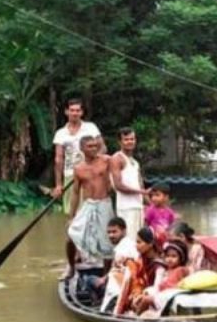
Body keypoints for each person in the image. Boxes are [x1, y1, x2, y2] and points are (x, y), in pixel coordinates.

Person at [52, 98, 105, 278]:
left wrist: (95, 165)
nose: (75, 113)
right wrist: (59, 184)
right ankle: (74, 259)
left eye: (78, 110)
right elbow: (59, 159)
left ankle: (91, 255)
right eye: (71, 110)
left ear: (82, 112)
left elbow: (102, 148)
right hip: (70, 176)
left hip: (91, 174)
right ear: (66, 112)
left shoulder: (91, 128)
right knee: (73, 219)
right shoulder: (61, 133)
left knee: (92, 217)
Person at [66, 136, 114, 279]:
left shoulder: (106, 160)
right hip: (88, 204)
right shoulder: (79, 168)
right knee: (70, 235)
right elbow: (75, 192)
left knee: (107, 241)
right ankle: (71, 267)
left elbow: (116, 177)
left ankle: (106, 274)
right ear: (82, 149)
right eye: (90, 146)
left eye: (95, 146)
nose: (94, 148)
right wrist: (71, 216)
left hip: (104, 203)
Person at [81, 217, 137, 306]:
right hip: (128, 285)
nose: (111, 235)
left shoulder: (121, 250)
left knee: (88, 280)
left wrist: (104, 279)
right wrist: (105, 278)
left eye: (114, 232)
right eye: (109, 232)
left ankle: (97, 304)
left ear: (124, 231)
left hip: (121, 289)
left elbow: (118, 273)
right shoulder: (131, 244)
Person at [115, 227, 166, 315]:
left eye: (139, 242)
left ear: (150, 244)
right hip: (138, 293)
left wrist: (141, 295)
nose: (136, 245)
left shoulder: (159, 266)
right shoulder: (142, 259)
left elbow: (157, 289)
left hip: (150, 300)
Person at [131, 240, 190, 316]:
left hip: (170, 297)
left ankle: (137, 315)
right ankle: (138, 312)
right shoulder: (168, 270)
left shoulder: (181, 270)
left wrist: (160, 288)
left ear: (181, 258)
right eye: (168, 256)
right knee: (143, 296)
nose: (169, 259)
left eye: (174, 256)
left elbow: (171, 285)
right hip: (163, 295)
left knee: (146, 299)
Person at [110, 127, 148, 240]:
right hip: (126, 207)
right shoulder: (117, 158)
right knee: (128, 239)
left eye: (132, 139)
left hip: (138, 206)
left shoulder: (135, 162)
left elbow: (141, 186)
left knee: (138, 239)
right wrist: (140, 191)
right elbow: (118, 185)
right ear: (120, 142)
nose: (130, 142)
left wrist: (153, 206)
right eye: (126, 139)